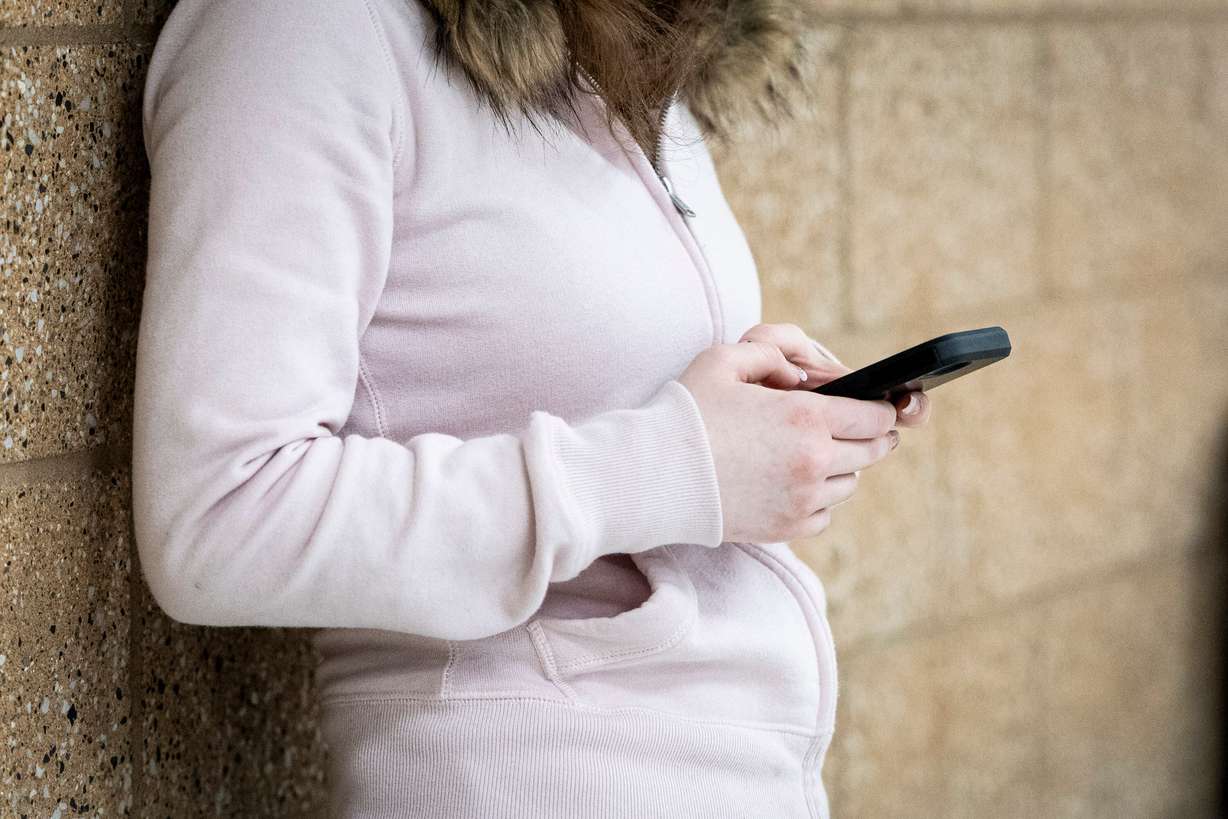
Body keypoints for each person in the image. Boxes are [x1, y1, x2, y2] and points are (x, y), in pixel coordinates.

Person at [132, 0, 932, 816]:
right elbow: (221, 517)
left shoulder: (642, 49)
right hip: (519, 774)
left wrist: (757, 430)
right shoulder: (306, 29)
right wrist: (676, 464)